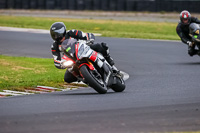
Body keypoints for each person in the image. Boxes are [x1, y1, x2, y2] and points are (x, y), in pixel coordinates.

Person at [50, 22, 115, 83]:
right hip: (73, 60)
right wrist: (62, 64)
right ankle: (85, 78)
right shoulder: (54, 46)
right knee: (67, 78)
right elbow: (56, 60)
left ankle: (109, 60)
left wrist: (90, 40)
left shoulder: (72, 33)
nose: (57, 37)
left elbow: (87, 35)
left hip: (84, 49)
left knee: (102, 46)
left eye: (58, 34)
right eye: (54, 35)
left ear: (63, 32)